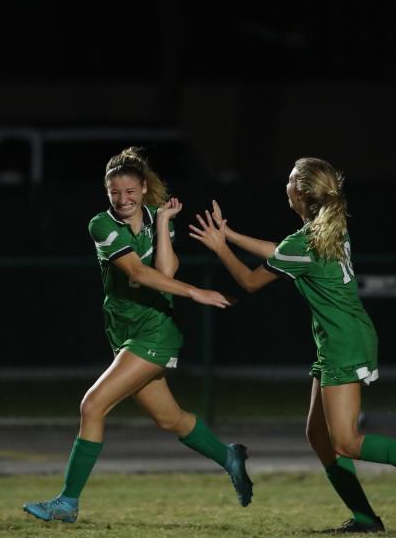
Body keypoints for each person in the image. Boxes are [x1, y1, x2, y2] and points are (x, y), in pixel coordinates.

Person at [189, 157, 396, 534]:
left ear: (299, 191)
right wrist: (230, 235)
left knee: (345, 442)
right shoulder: (328, 227)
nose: (284, 185)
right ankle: (365, 518)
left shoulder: (307, 239)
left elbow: (250, 282)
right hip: (341, 336)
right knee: (319, 437)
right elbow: (279, 250)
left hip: (344, 342)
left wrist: (220, 248)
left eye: (288, 179)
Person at [23, 147, 252, 523]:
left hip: (156, 329)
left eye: (130, 191)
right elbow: (138, 274)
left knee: (92, 406)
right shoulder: (102, 225)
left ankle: (67, 502)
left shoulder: (157, 219)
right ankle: (229, 456)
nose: (123, 199)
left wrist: (163, 225)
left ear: (144, 188)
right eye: (115, 193)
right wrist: (196, 291)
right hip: (124, 329)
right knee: (170, 419)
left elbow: (165, 270)